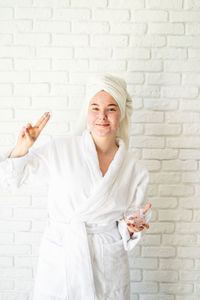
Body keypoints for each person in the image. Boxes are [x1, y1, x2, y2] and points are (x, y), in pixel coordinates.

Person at [0, 73, 151, 300]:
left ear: (121, 113)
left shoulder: (135, 169)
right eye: (95, 108)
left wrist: (131, 226)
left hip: (107, 266)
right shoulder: (60, 149)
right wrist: (22, 148)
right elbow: (13, 179)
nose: (102, 116)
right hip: (60, 260)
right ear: (86, 111)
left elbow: (129, 221)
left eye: (111, 108)